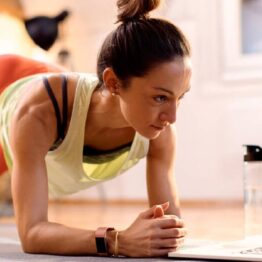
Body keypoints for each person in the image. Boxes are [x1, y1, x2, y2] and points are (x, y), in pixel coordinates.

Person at [0, 0, 191, 257]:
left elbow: (168, 231)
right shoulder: (42, 109)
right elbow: (32, 234)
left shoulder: (162, 132)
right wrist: (117, 240)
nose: (172, 116)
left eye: (180, 97)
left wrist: (164, 235)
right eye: (160, 98)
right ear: (112, 82)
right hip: (8, 84)